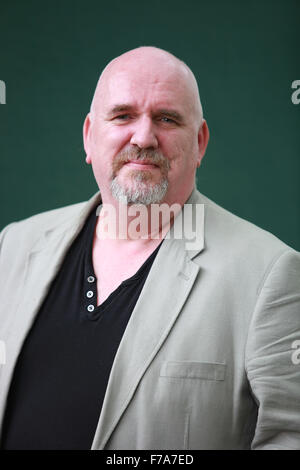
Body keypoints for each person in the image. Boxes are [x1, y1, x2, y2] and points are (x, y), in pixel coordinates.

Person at [0, 46, 299, 450]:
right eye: (123, 115)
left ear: (200, 143)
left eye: (167, 118)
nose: (143, 137)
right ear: (89, 136)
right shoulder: (13, 245)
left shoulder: (271, 274)